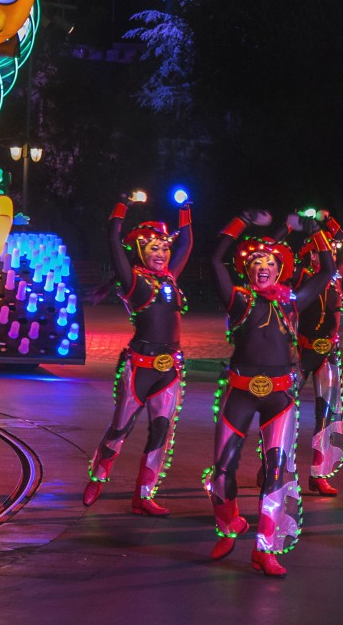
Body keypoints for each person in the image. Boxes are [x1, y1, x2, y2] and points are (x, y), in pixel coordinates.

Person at [206, 210, 334, 576]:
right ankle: (229, 525)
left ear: (280, 269)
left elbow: (326, 271)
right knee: (223, 469)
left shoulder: (292, 302)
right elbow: (217, 258)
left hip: (281, 397)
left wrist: (317, 231)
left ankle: (265, 548)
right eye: (256, 261)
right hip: (240, 392)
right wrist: (241, 221)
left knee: (276, 472)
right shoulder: (239, 300)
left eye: (270, 262)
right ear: (247, 269)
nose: (263, 265)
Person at [82, 195, 192, 516]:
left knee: (161, 431)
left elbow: (186, 243)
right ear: (141, 252)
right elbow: (113, 237)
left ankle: (144, 495)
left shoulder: (171, 277)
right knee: (120, 428)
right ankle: (98, 478)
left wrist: (185, 208)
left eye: (164, 247)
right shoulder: (133, 281)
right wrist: (121, 205)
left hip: (169, 369)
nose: (161, 253)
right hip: (138, 369)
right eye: (153, 248)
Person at [293, 215, 343, 497]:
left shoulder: (335, 276)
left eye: (327, 251)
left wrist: (329, 222)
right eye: (320, 251)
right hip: (301, 351)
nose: (326, 255)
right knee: (282, 409)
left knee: (326, 415)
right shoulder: (300, 277)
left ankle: (318, 474)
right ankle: (270, 466)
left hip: (327, 352)